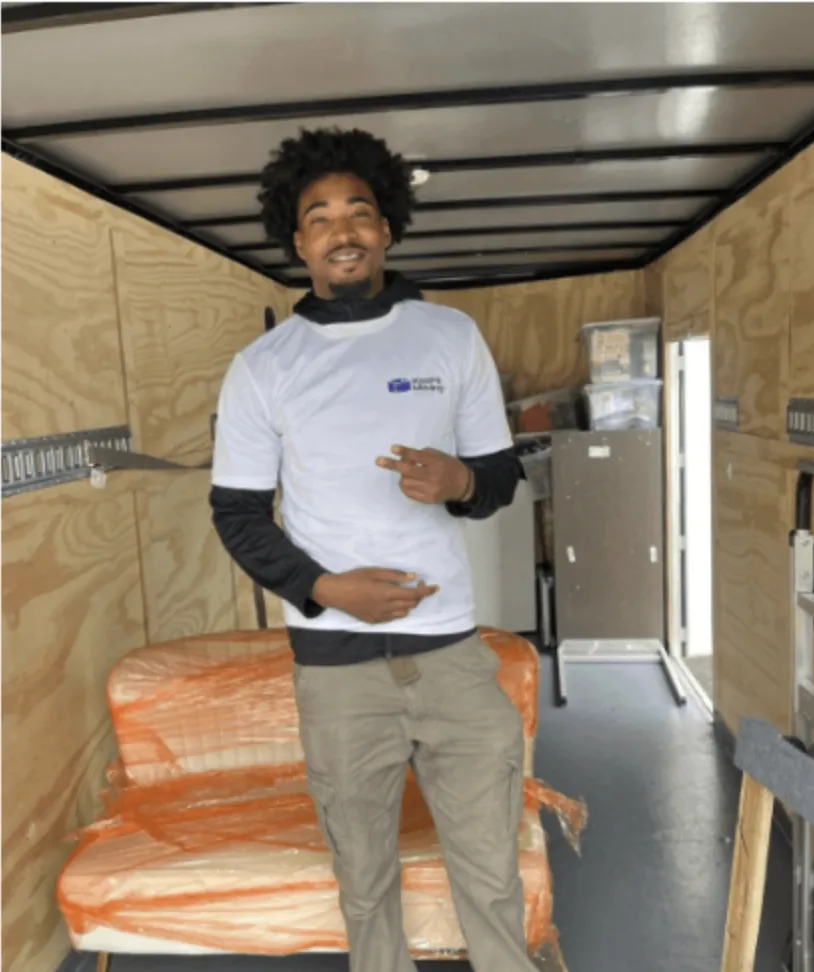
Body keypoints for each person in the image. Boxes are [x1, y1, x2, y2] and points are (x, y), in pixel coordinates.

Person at [209, 127, 533, 972]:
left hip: (452, 656)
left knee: (491, 875)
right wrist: (324, 589)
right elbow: (237, 513)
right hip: (337, 671)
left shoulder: (449, 336)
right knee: (363, 881)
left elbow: (500, 478)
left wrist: (459, 479)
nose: (341, 230)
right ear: (298, 242)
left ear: (387, 227)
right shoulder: (264, 366)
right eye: (319, 217)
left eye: (358, 211)